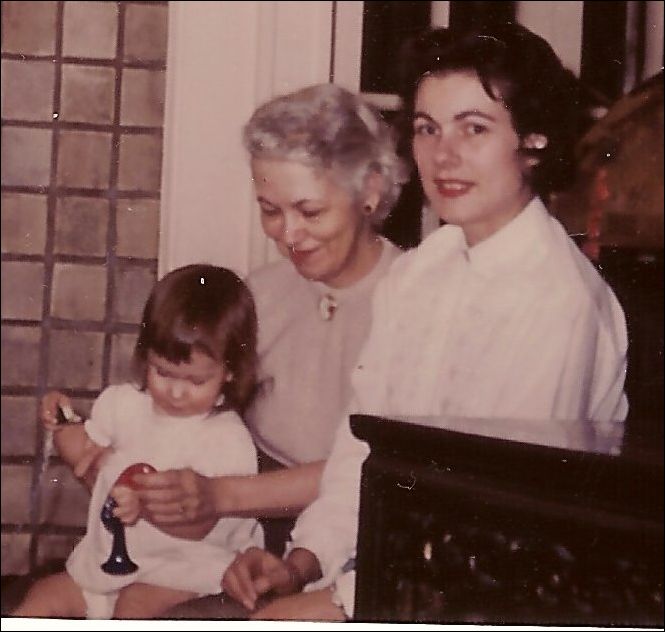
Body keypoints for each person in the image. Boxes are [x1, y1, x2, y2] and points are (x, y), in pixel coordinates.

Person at [220, 22, 629, 621]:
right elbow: (363, 450)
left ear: (534, 140)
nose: (444, 156)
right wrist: (302, 560)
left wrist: (337, 602)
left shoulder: (557, 302)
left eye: (475, 128)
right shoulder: (425, 271)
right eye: (427, 129)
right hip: (405, 578)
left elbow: (498, 529)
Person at [37, 84, 408, 615]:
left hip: (338, 543)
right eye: (270, 210)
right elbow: (183, 405)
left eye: (309, 210)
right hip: (222, 533)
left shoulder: (412, 302)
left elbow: (366, 469)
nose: (289, 234)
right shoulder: (257, 294)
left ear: (370, 190)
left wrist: (219, 496)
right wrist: (105, 450)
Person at [14, 264, 263, 619]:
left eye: (195, 381)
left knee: (133, 609)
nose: (176, 392)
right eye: (162, 372)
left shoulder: (227, 440)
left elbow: (199, 526)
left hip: (186, 569)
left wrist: (147, 506)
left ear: (230, 371)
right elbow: (85, 455)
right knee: (43, 596)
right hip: (106, 566)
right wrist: (63, 422)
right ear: (146, 354)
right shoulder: (124, 403)